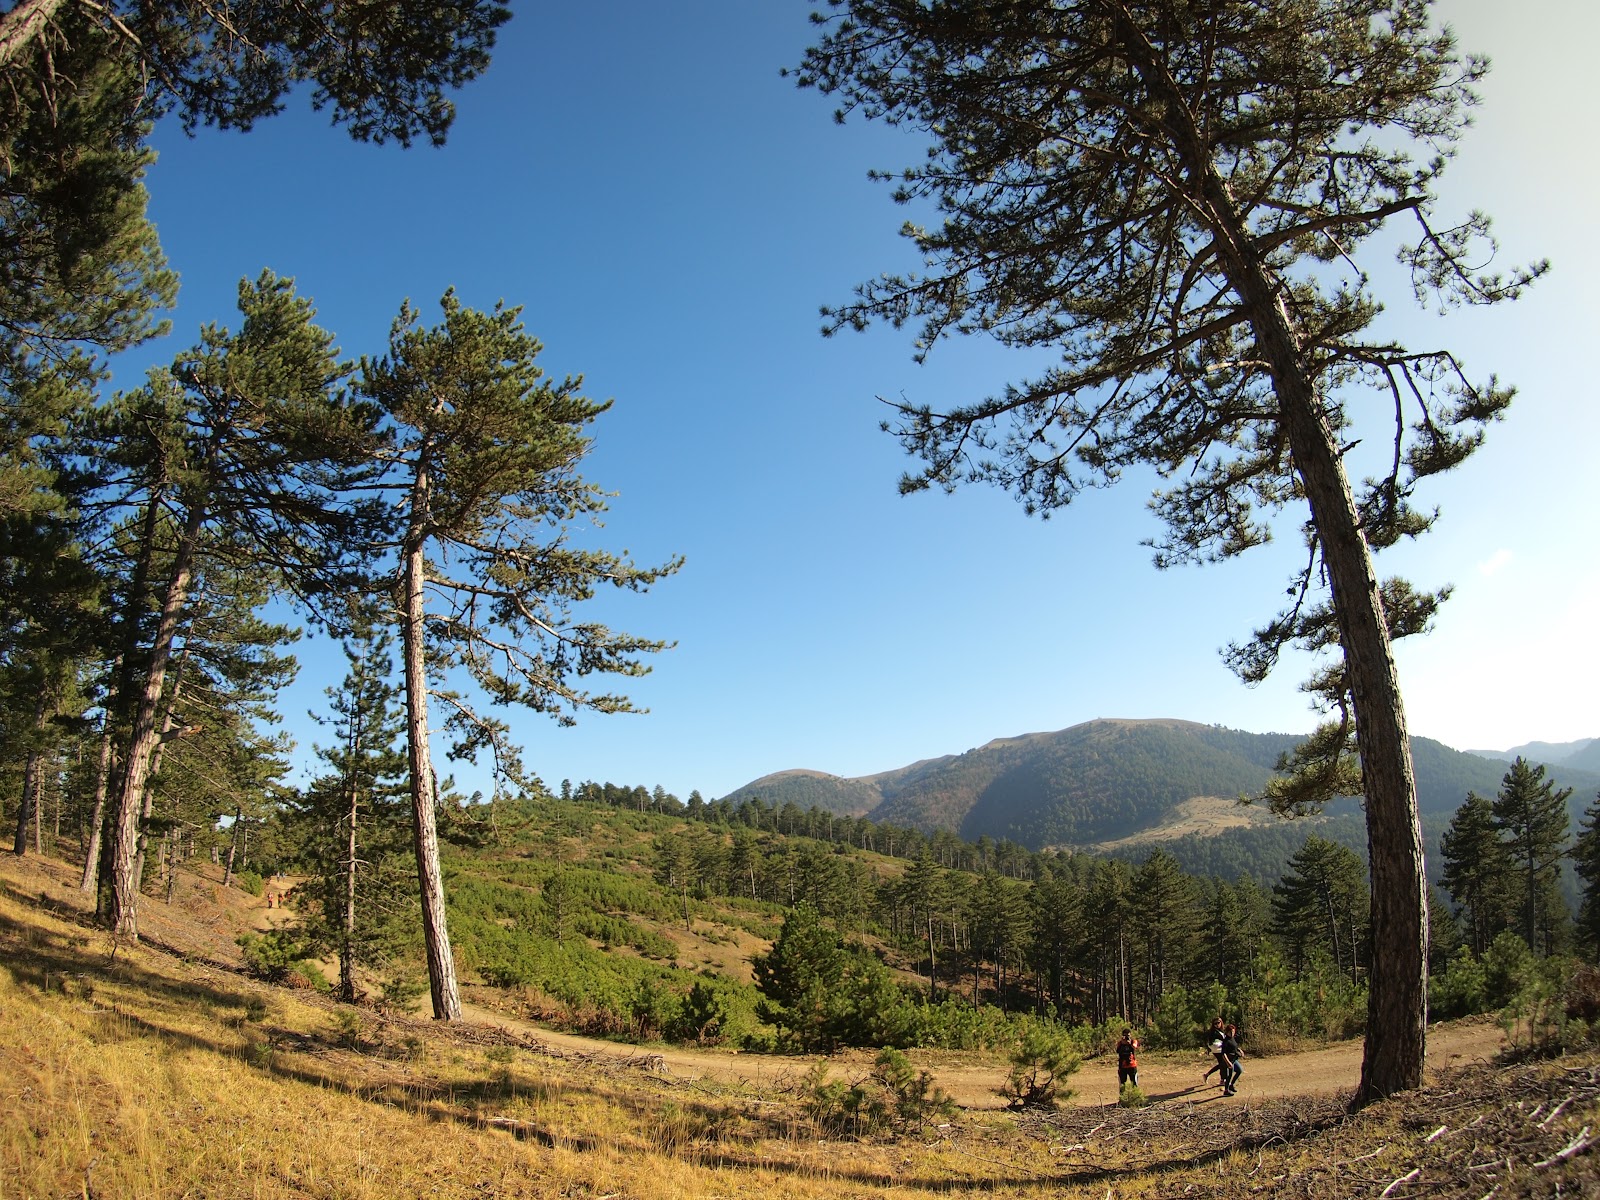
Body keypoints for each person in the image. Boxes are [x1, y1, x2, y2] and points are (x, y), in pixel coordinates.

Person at [1202, 1016, 1229, 1088]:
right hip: (1217, 1050)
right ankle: (1223, 1080)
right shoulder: (1213, 1032)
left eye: (1218, 1023)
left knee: (1222, 1064)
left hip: (1220, 1049)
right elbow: (1211, 1042)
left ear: (1221, 1022)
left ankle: (1207, 1075)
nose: (1217, 1024)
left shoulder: (1221, 1030)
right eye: (1215, 1023)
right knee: (1223, 1064)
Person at [1220, 1024, 1244, 1096]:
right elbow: (1223, 1053)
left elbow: (1235, 1047)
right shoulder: (1225, 1041)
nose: (1232, 1033)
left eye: (1233, 1032)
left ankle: (1231, 1085)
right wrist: (1228, 1062)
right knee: (1229, 1075)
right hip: (1229, 1060)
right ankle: (1226, 1090)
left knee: (1239, 1070)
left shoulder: (1232, 1038)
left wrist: (1240, 1051)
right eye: (1230, 1032)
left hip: (1234, 1059)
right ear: (1227, 1032)